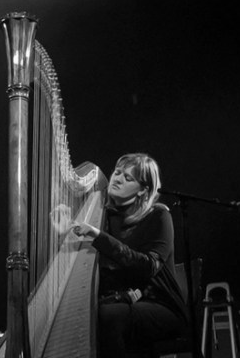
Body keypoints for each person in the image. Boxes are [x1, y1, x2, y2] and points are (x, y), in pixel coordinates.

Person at [73, 153, 189, 357]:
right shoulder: (104, 216)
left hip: (159, 304)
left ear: (143, 189)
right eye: (117, 173)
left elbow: (148, 267)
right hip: (119, 300)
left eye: (128, 178)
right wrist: (66, 226)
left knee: (108, 316)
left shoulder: (159, 216)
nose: (117, 179)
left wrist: (98, 236)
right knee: (83, 316)